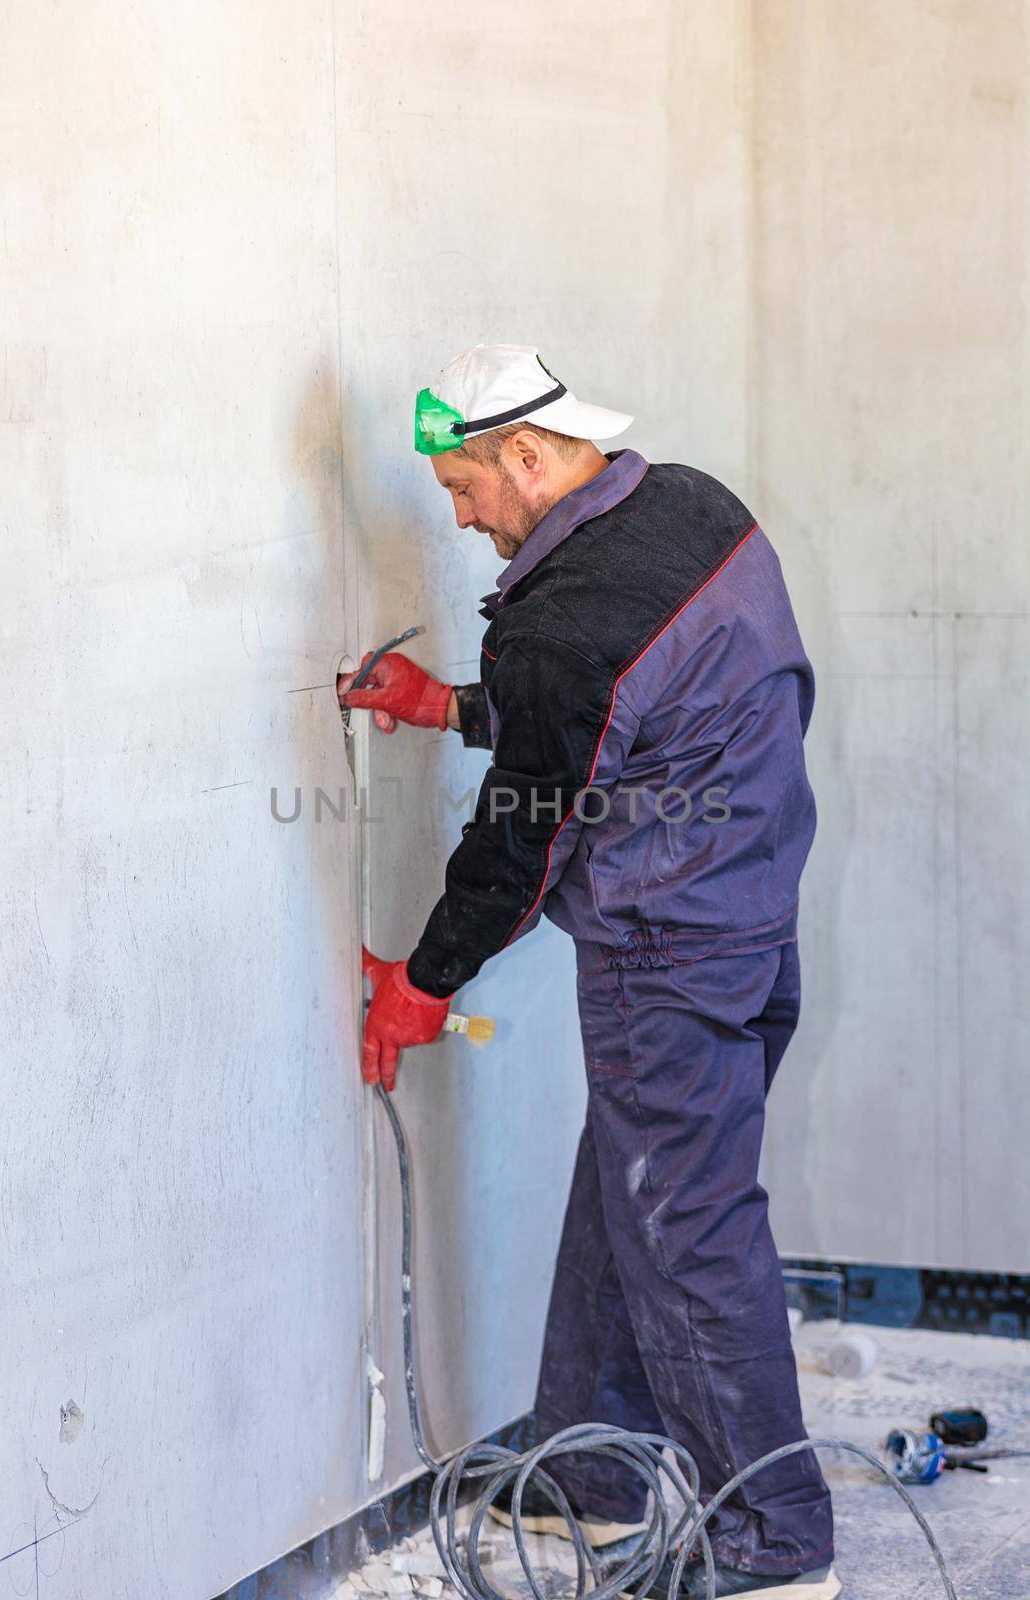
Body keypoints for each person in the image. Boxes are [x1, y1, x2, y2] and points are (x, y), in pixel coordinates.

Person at [338, 344, 839, 1599]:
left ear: (527, 455)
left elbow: (524, 828)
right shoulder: (687, 506)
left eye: (462, 486)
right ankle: (591, 1486)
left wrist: (421, 981)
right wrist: (449, 703)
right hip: (751, 914)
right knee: (636, 1195)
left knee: (683, 1233)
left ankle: (778, 1551)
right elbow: (625, 703)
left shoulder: (564, 622)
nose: (456, 517)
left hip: (668, 945)